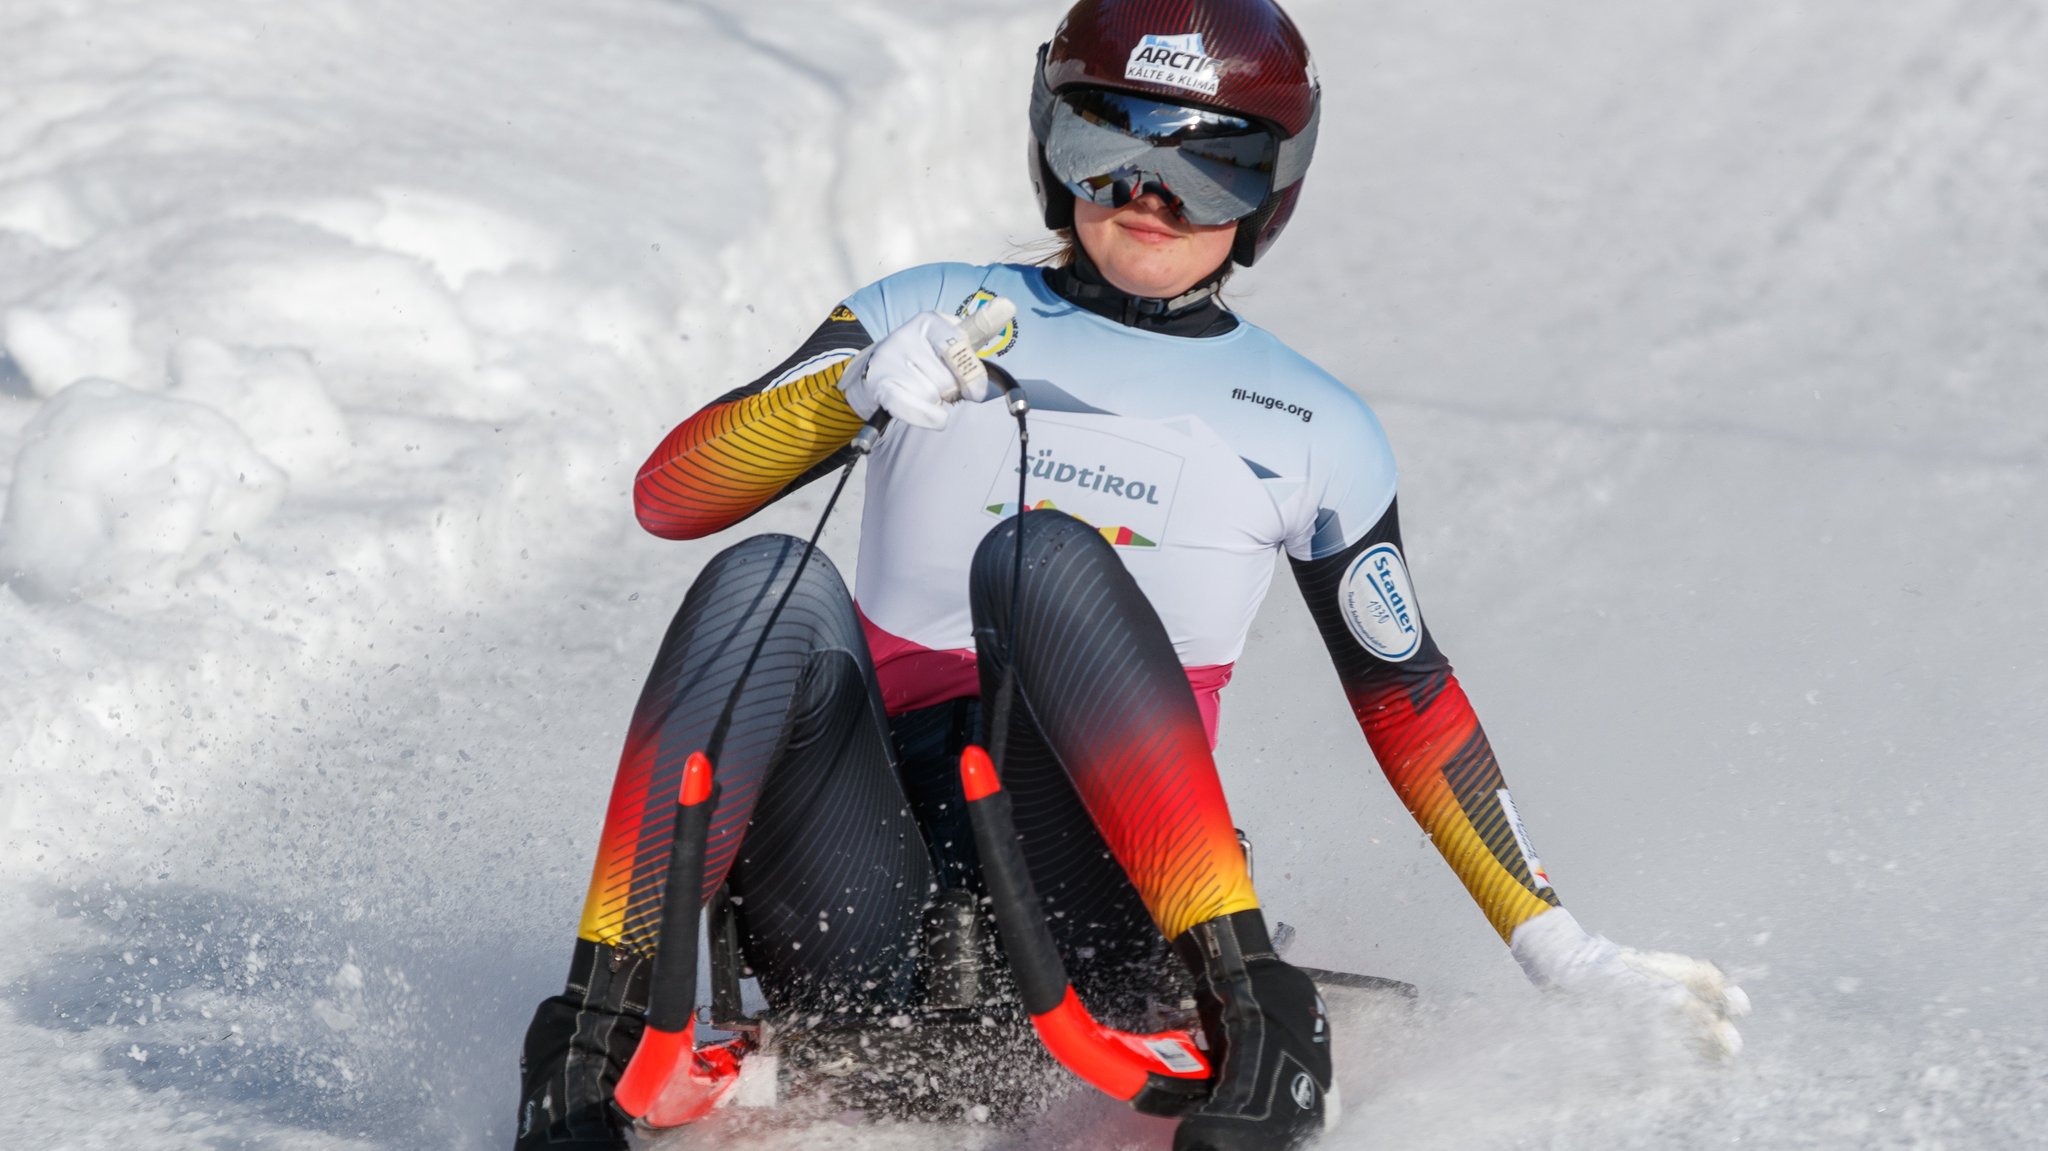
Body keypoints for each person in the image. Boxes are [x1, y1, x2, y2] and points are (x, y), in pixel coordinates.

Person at [513, 2, 1748, 1149]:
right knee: (767, 574)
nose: (1146, 194)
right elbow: (672, 498)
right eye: (1106, 142)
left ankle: (1248, 1000)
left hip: (1101, 911)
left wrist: (1561, 951)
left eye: (1207, 162)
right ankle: (603, 1018)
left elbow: (1405, 692)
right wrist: (843, 393)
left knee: (1037, 551)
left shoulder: (1314, 423)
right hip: (859, 911)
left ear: (1269, 194)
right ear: (1049, 152)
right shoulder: (928, 308)